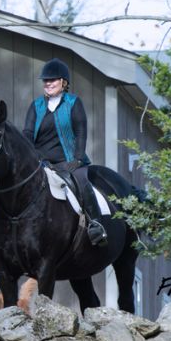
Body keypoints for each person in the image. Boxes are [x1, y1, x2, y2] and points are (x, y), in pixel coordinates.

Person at [22, 58, 108, 246]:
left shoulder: (73, 103)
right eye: (46, 80)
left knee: (82, 180)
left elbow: (80, 132)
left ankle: (95, 225)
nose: (48, 83)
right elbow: (27, 133)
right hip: (41, 163)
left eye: (53, 80)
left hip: (68, 161)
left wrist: (77, 159)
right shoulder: (36, 106)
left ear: (64, 82)